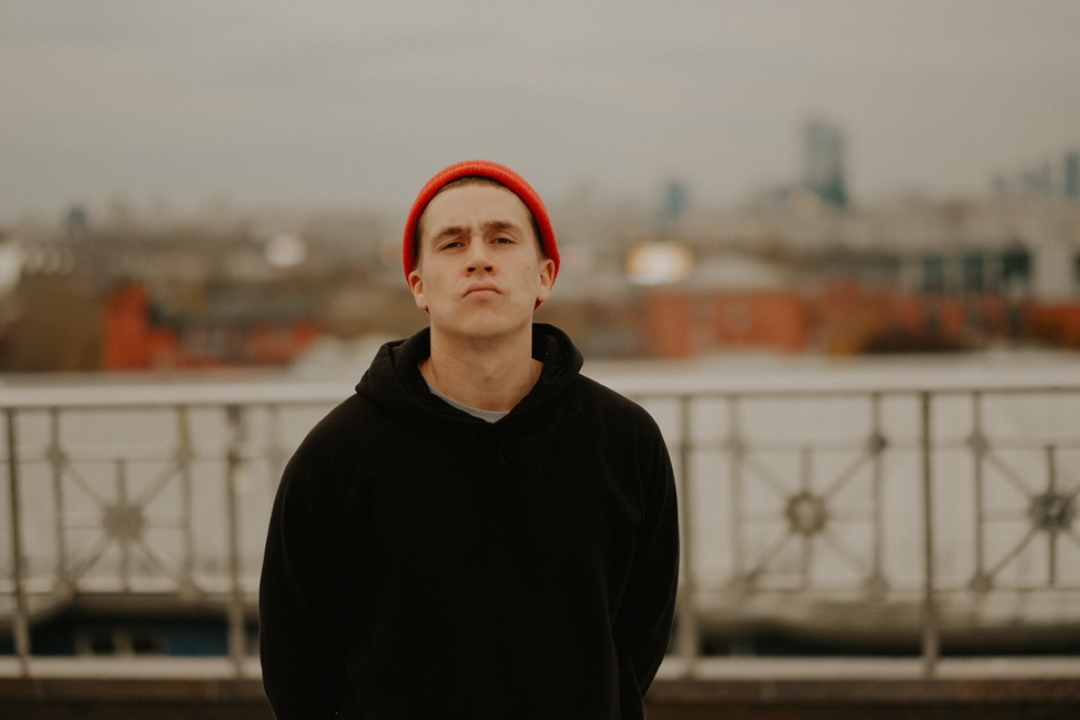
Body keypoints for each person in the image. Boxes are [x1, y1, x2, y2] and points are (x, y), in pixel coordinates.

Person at [259, 160, 679, 719]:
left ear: (545, 275)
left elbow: (638, 638)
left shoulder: (624, 441)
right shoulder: (338, 456)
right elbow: (296, 666)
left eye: (502, 238)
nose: (479, 257)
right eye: (452, 243)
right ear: (419, 285)